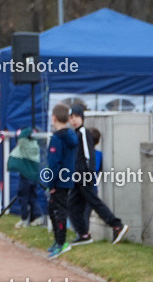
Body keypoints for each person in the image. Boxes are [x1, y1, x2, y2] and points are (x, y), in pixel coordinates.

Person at [67, 105, 127, 245]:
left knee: (94, 202)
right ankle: (83, 234)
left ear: (82, 118)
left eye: (76, 117)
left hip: (84, 177)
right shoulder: (76, 134)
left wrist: (89, 174)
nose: (74, 120)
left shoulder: (83, 133)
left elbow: (89, 155)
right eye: (71, 117)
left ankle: (116, 225)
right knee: (72, 205)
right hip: (78, 178)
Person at [45, 104, 79, 258]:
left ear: (54, 118)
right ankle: (58, 240)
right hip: (66, 180)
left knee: (59, 212)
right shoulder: (70, 136)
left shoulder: (57, 138)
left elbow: (54, 164)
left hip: (58, 182)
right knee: (53, 210)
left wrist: (50, 183)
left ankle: (61, 242)